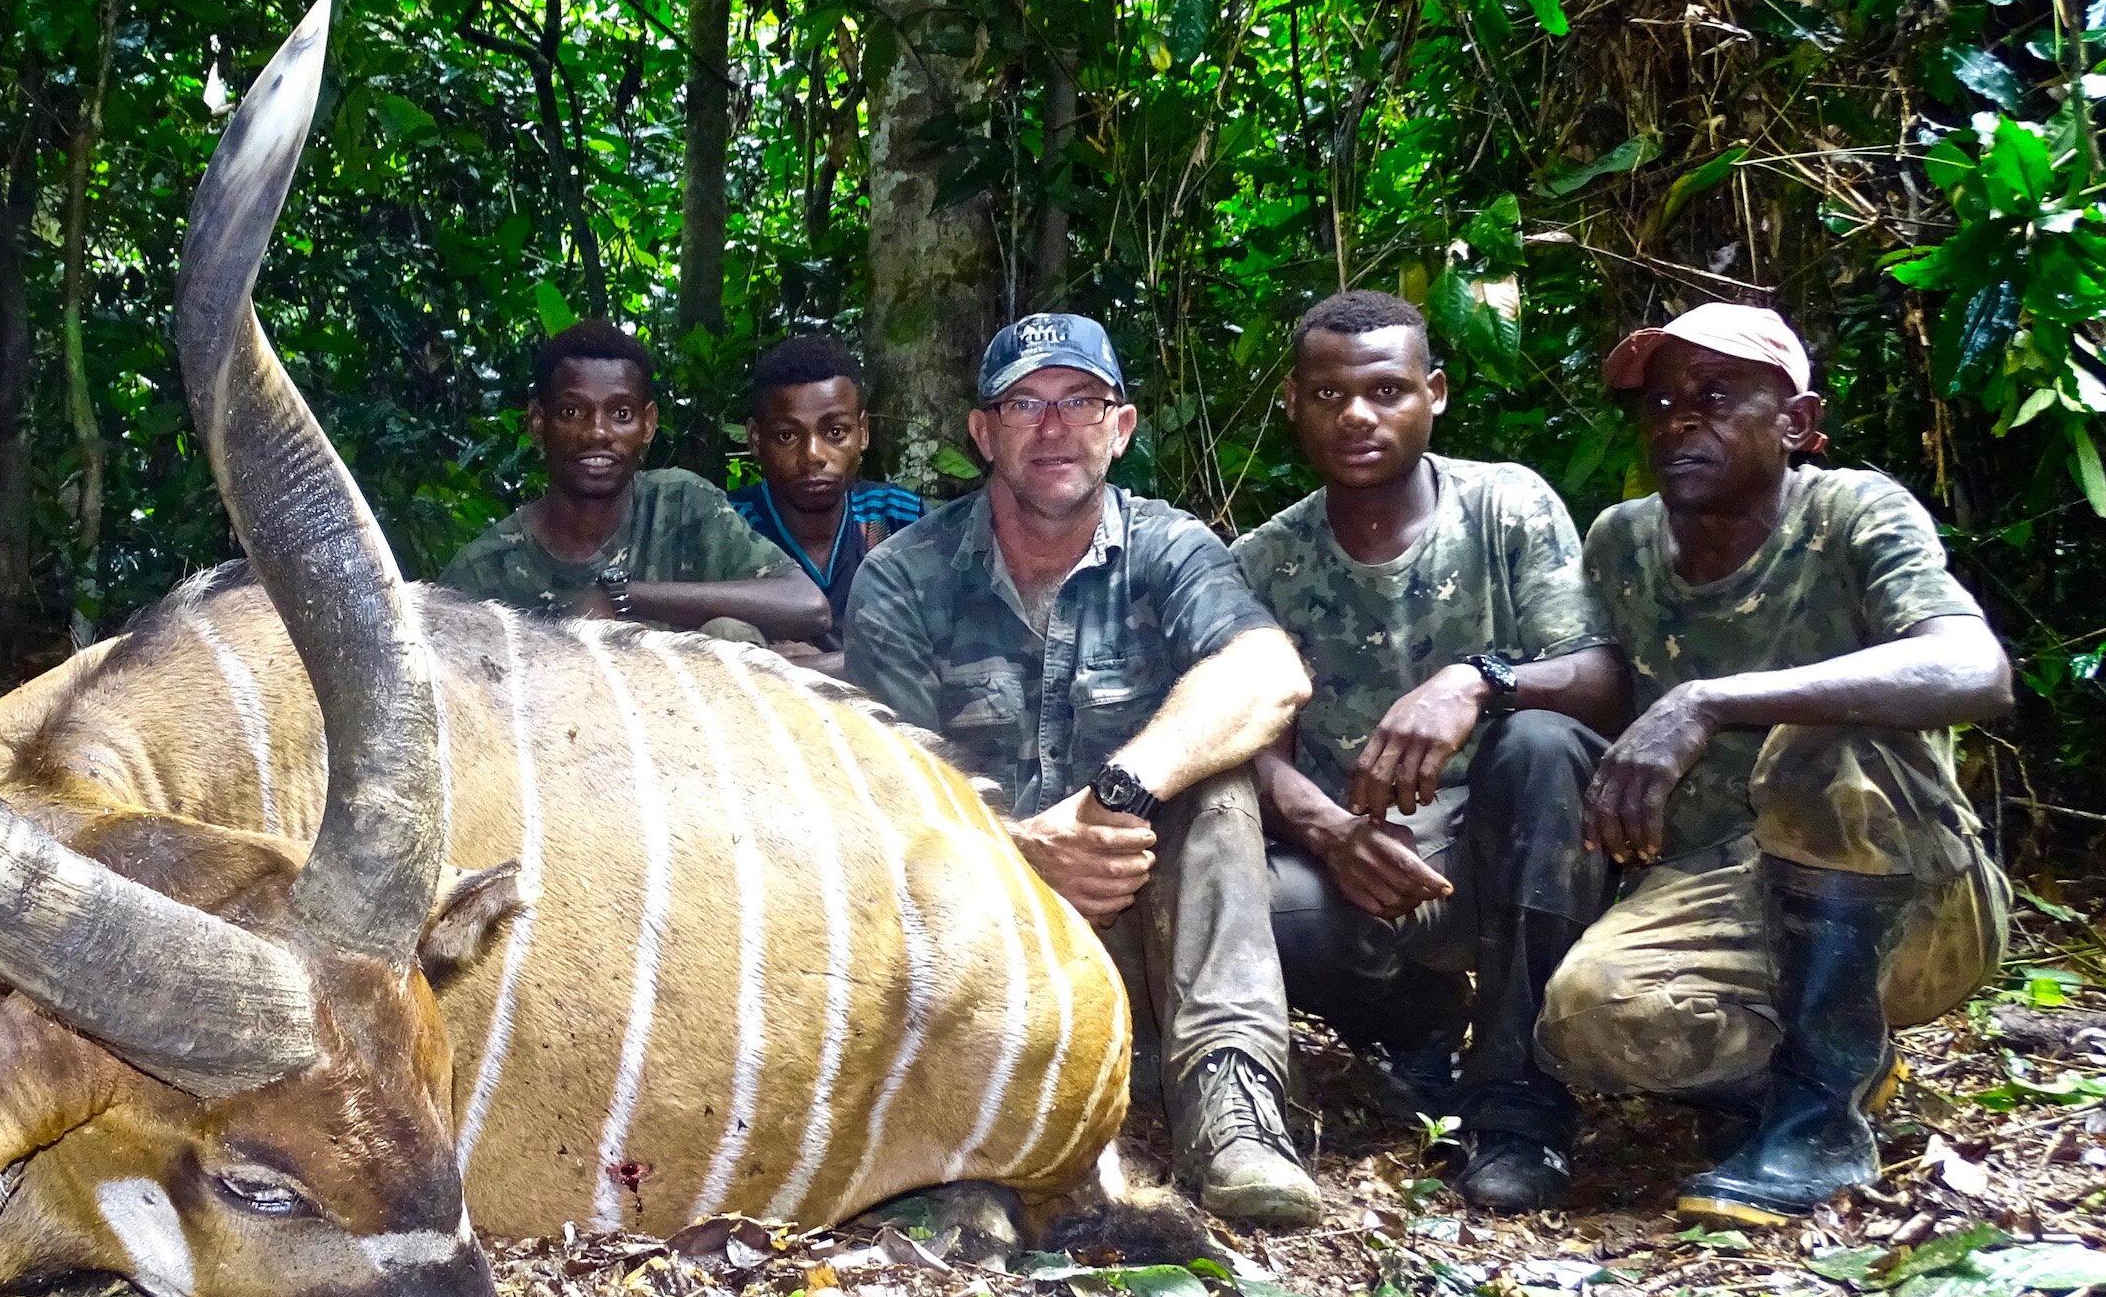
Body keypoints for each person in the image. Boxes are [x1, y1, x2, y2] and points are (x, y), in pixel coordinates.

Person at [1535, 303, 2013, 1227]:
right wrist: (1486, 683)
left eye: (1715, 396)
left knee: (1819, 735)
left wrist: (1712, 698)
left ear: (1795, 423)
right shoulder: (1623, 541)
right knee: (1588, 1018)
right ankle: (1830, 1056)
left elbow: (1974, 665)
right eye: (1663, 401)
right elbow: (1597, 680)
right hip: (1726, 880)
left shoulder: (1853, 511)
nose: (1679, 419)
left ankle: (1821, 1116)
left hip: (1913, 895)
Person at [847, 313, 1322, 1224]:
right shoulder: (905, 576)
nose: (1055, 426)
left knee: (1219, 782)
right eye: (1026, 403)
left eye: (1081, 401)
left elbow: (1268, 674)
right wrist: (1022, 849)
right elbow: (886, 798)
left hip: (1140, 935)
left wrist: (1116, 795)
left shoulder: (1168, 546)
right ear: (983, 433)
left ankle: (1233, 1112)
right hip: (979, 942)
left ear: (1122, 426)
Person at [1234, 291, 1630, 1213]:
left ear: (1434, 393)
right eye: (1329, 395)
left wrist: (1477, 681)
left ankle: (1519, 1101)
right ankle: (1413, 1031)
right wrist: (1326, 827)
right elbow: (1241, 741)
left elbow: (1607, 679)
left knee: (1538, 743)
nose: (1358, 415)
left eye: (1386, 389)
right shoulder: (1264, 562)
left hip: (1520, 837)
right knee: (1261, 905)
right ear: (1293, 403)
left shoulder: (1506, 505)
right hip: (1362, 855)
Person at [439, 320, 832, 641]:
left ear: (648, 425)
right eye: (572, 411)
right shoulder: (484, 573)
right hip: (557, 732)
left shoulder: (681, 506)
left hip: (694, 731)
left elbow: (807, 605)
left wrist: (623, 599)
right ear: (539, 422)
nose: (597, 432)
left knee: (728, 632)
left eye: (621, 414)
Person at [729, 335, 924, 642]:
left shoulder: (898, 517)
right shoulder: (731, 526)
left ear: (862, 433)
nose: (813, 456)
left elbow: (946, 647)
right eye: (786, 436)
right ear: (755, 439)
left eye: (835, 432)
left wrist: (811, 666)